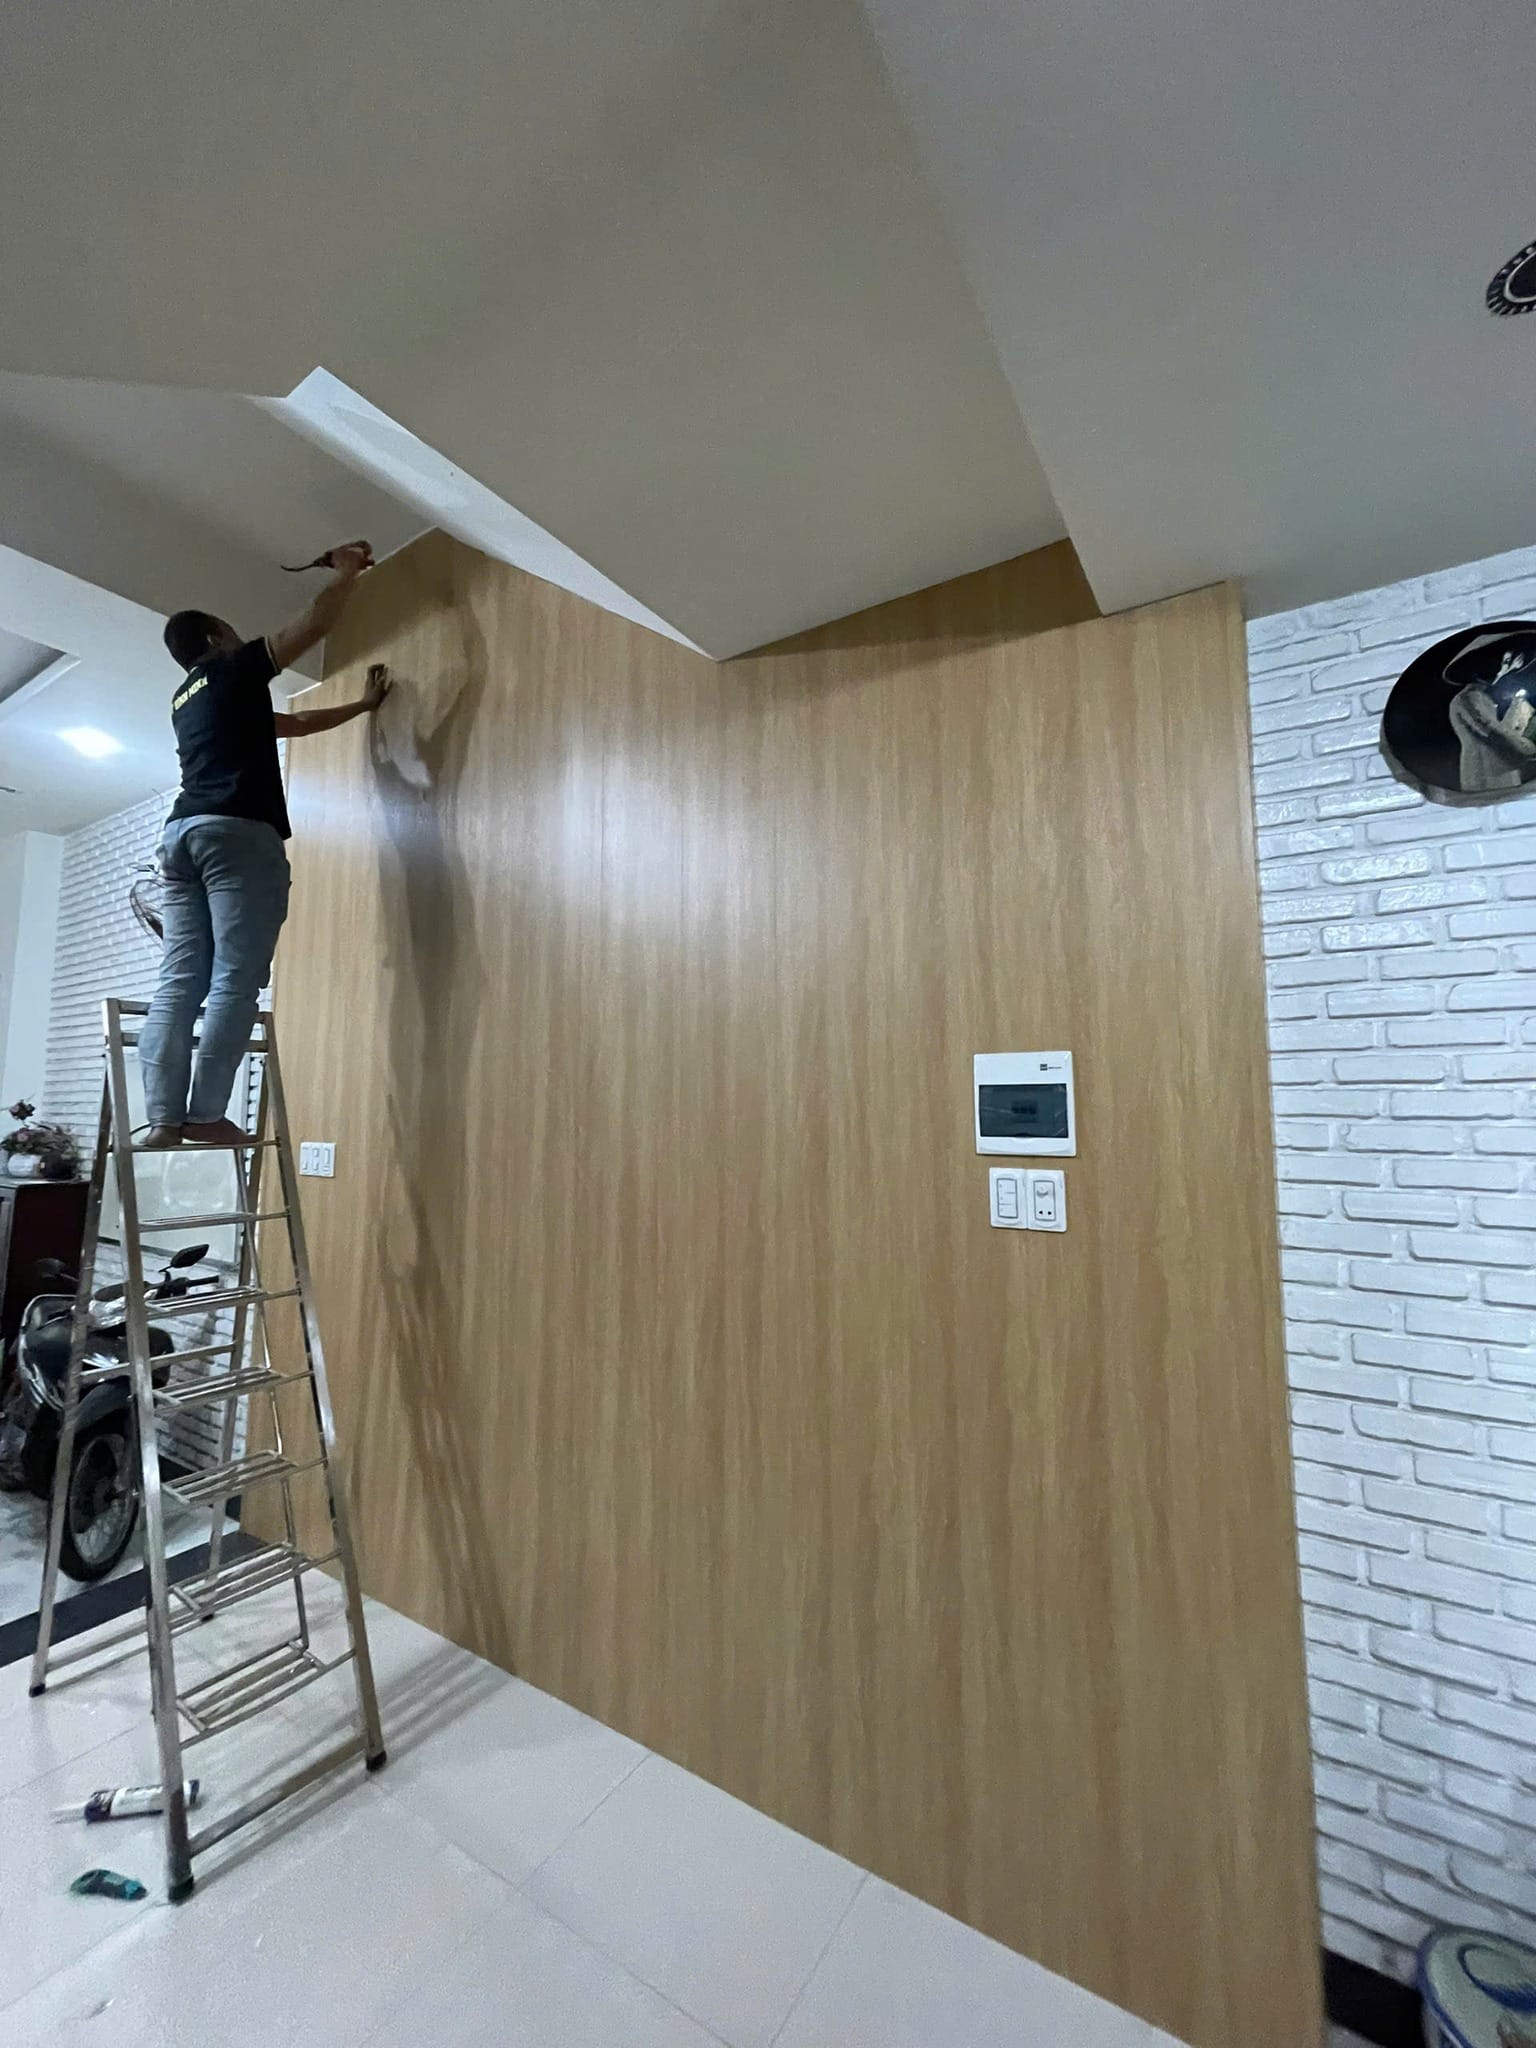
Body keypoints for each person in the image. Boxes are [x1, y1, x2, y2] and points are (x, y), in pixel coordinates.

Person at [137, 541, 387, 1147]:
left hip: (180, 837)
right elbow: (316, 624)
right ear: (216, 637)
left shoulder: (185, 700)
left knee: (179, 982)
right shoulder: (231, 669)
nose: (237, 634)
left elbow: (292, 725)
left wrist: (364, 706)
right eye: (230, 629)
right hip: (235, 833)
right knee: (235, 977)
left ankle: (163, 1119)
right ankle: (204, 1115)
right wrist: (347, 572)